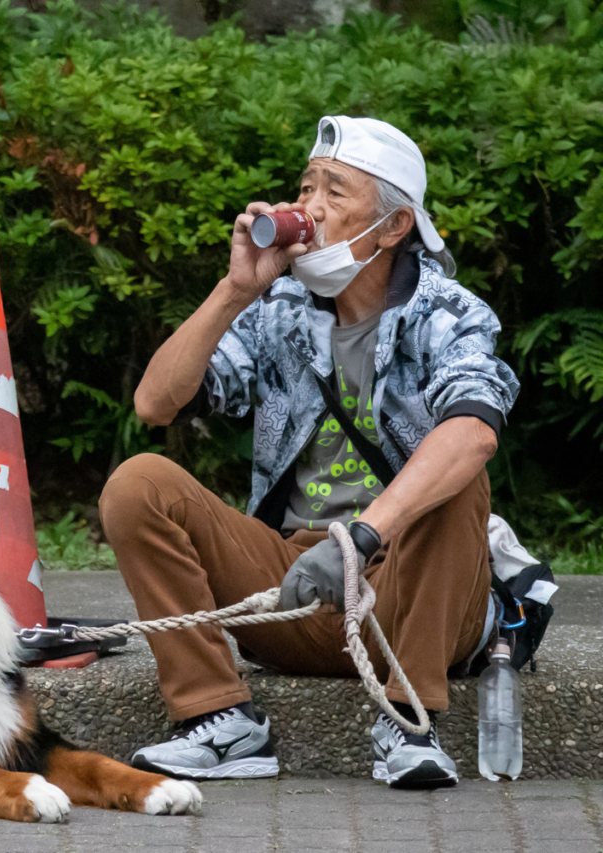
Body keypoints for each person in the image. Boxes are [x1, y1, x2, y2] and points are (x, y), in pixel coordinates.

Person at [99, 116, 520, 789]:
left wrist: (360, 536)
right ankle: (221, 720)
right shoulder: (280, 310)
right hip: (298, 586)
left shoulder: (449, 312)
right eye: (305, 187)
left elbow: (475, 432)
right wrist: (237, 288)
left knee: (457, 470)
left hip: (415, 589)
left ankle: (410, 721)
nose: (306, 208)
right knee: (138, 483)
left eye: (333, 193)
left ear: (392, 228)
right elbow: (156, 404)